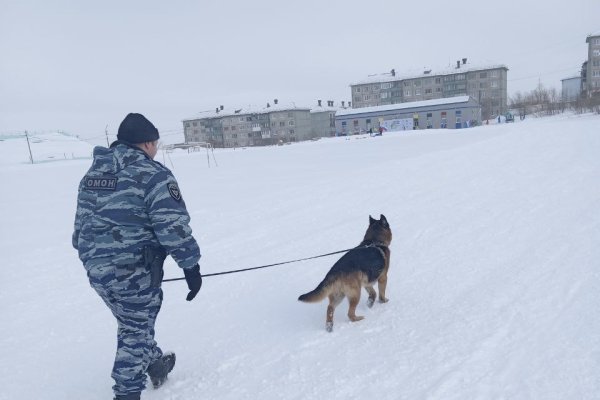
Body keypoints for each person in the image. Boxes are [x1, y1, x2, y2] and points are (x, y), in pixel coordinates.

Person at [72, 113, 203, 400]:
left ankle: (155, 364)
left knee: (135, 322)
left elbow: (80, 225)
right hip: (134, 273)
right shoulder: (154, 175)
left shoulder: (93, 175)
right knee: (134, 332)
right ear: (146, 144)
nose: (156, 149)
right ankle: (127, 393)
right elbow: (172, 226)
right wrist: (190, 265)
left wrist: (92, 258)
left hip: (96, 271)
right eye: (155, 143)